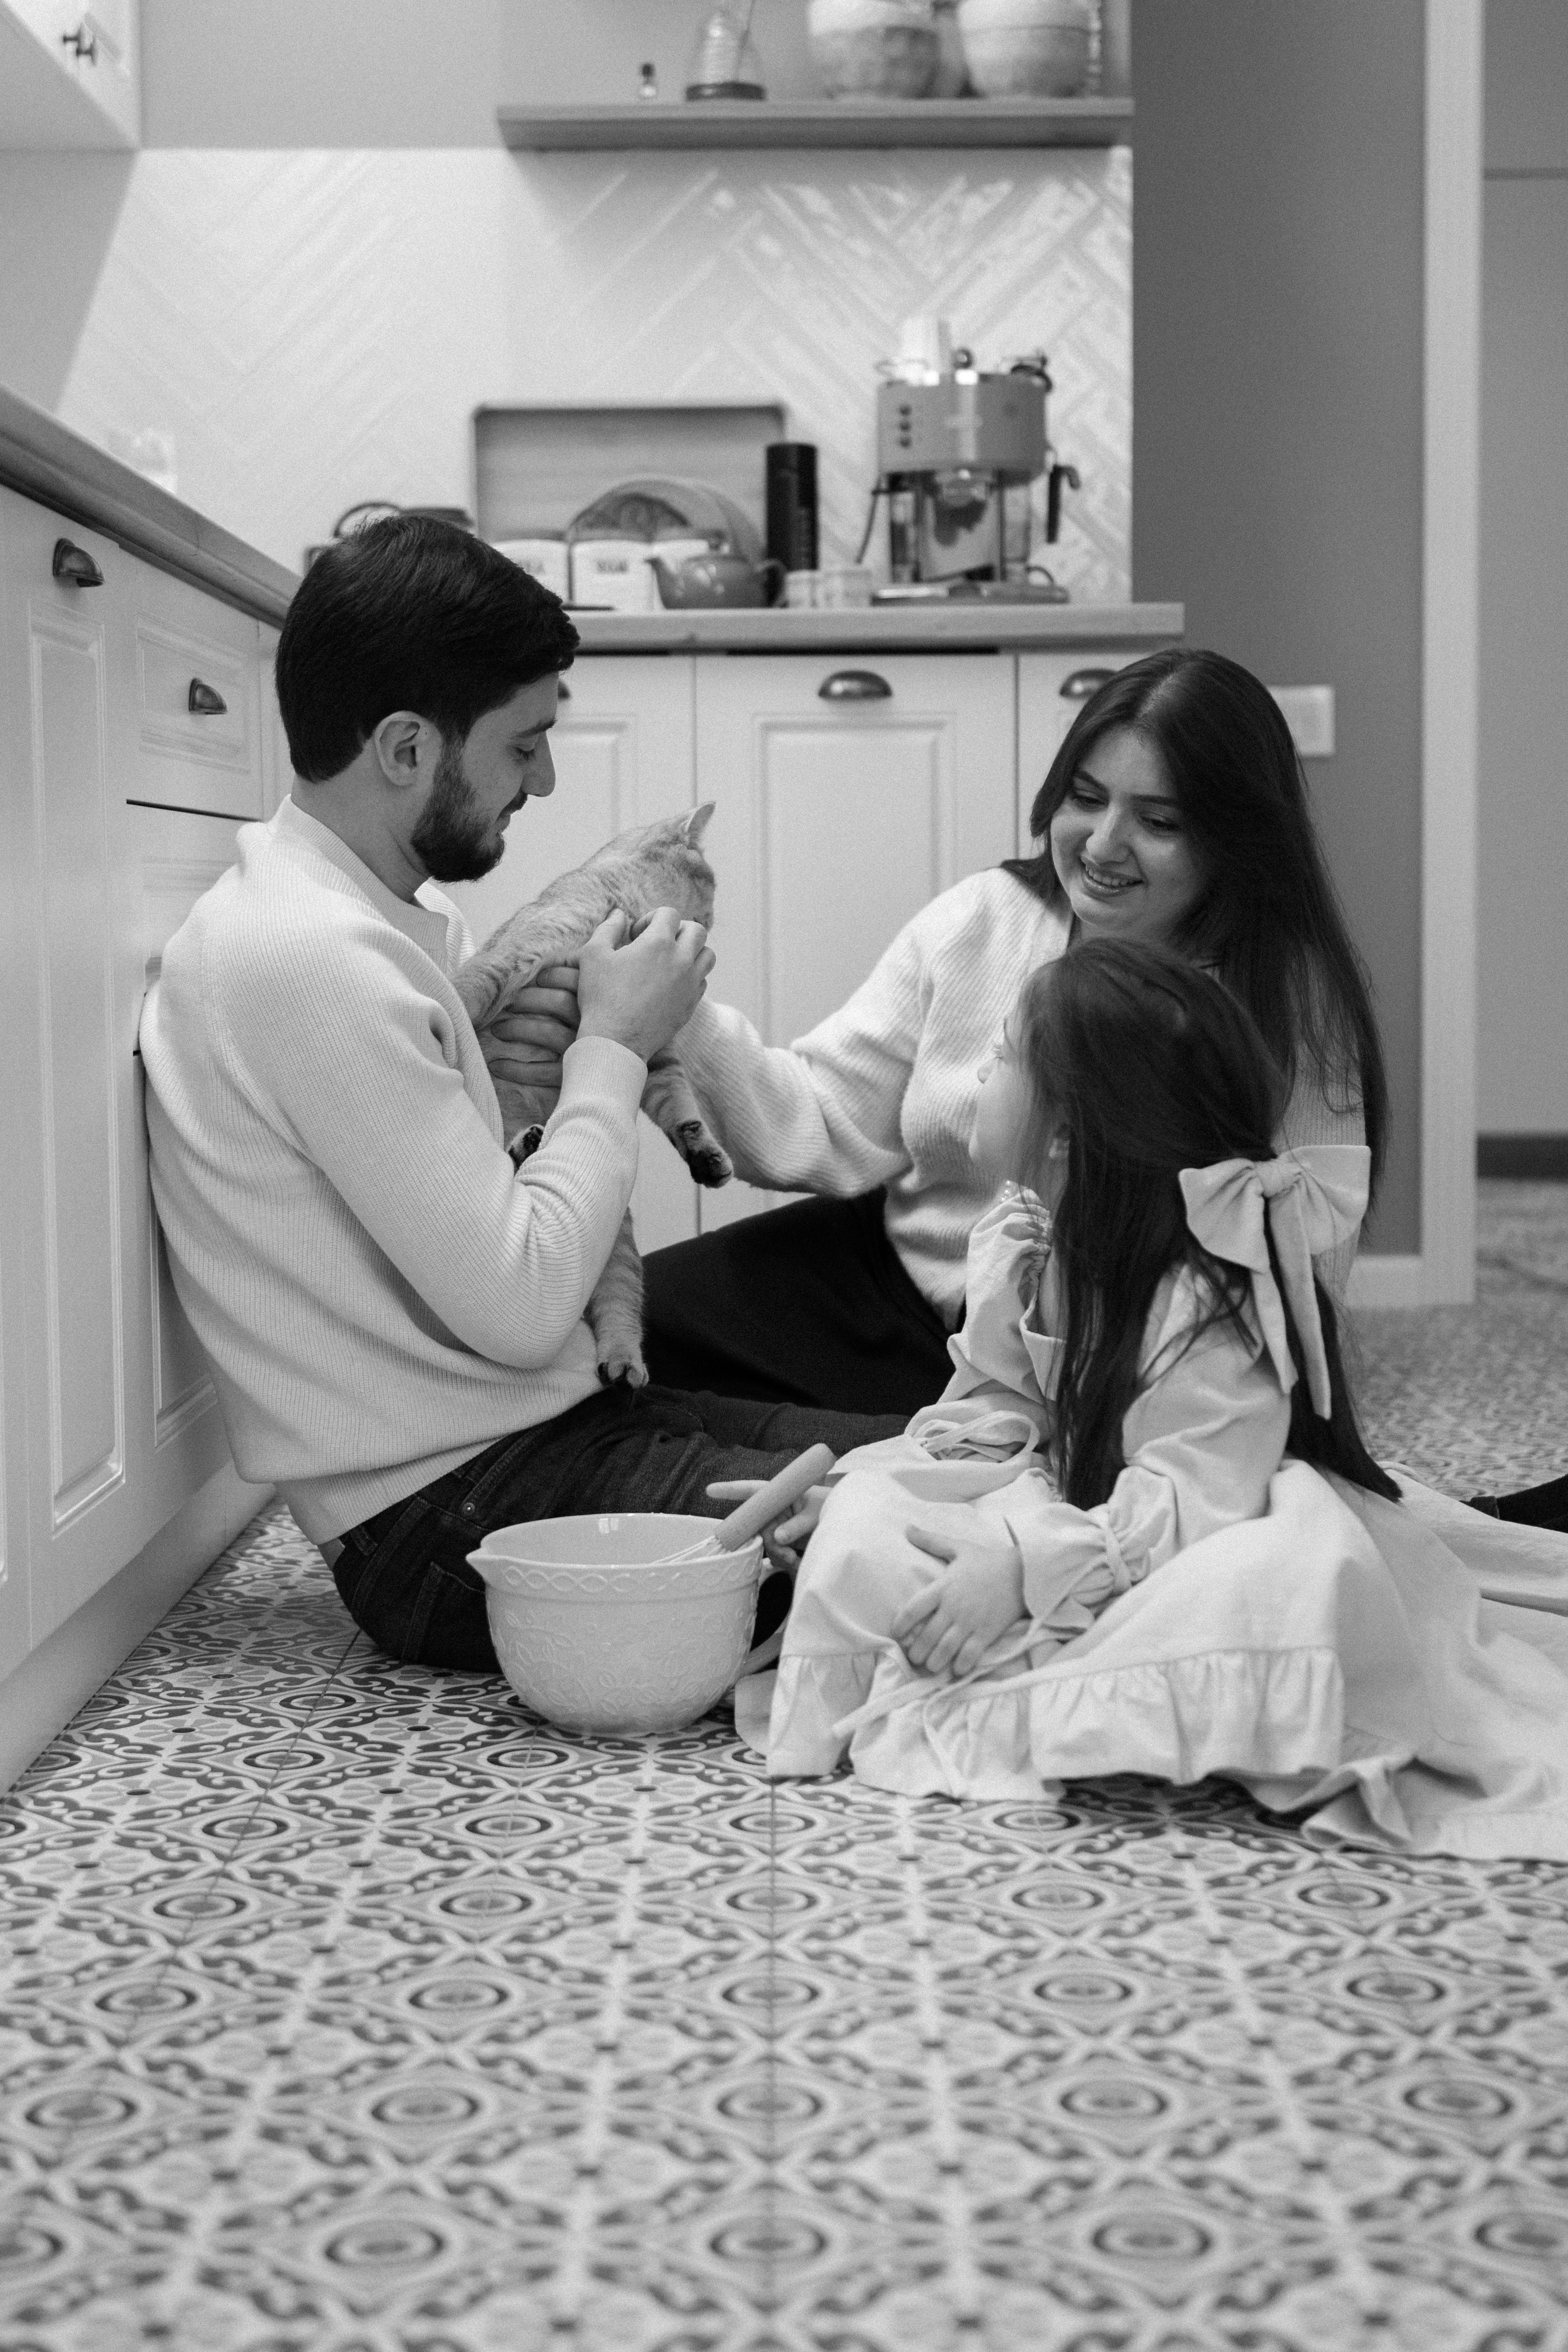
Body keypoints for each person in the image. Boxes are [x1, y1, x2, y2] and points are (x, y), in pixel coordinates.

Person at [139, 518, 902, 1676]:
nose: (542, 781)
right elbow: (522, 1299)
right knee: (948, 1532)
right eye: (522, 745)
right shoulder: (303, 959)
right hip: (447, 1525)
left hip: (537, 1441)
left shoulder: (387, 922)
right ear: (404, 747)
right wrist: (612, 1038)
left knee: (945, 1461)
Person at [744, 941, 1568, 1860]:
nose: (979, 1069)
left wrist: (1026, 1564)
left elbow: (1195, 1497)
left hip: (1208, 1515)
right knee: (871, 1510)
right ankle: (989, 1623)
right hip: (1091, 1499)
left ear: (1065, 1131)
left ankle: (1103, 1692)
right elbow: (997, 1412)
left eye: (1006, 1052)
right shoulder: (1024, 1241)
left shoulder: (1196, 1301)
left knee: (1282, 1580)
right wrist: (909, 1486)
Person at [493, 647, 1386, 1417]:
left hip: (1072, 1344)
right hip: (887, 1270)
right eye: (1086, 798)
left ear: (1235, 842)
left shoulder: (1287, 1008)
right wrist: (662, 1009)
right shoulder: (983, 922)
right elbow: (822, 1120)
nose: (1104, 844)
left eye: (1157, 822)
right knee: (612, 1344)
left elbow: (1296, 1285)